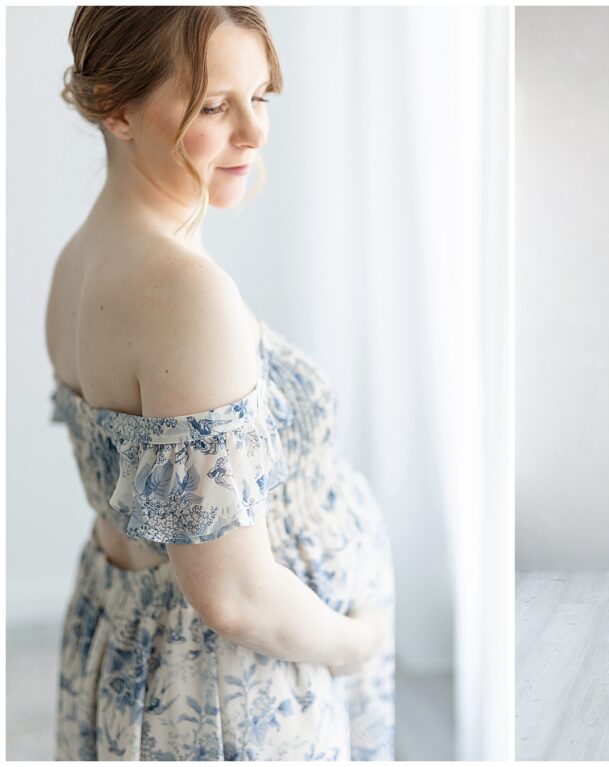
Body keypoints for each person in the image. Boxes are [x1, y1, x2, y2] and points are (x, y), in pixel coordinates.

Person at [46, 7, 395, 759]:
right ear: (117, 105)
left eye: (260, 96)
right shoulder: (183, 293)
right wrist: (357, 642)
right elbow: (231, 595)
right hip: (231, 688)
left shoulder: (81, 258)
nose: (256, 131)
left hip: (134, 646)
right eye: (213, 105)